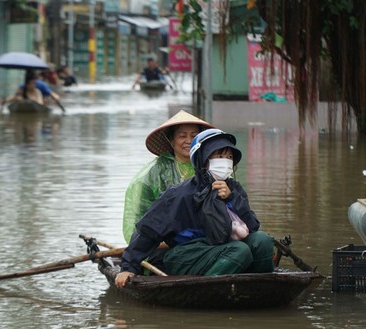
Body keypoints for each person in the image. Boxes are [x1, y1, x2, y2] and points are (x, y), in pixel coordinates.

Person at [115, 128, 275, 288]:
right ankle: (205, 291)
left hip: (222, 248)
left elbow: (253, 226)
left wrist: (231, 198)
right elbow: (147, 231)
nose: (225, 161)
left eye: (229, 157)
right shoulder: (180, 194)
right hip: (184, 254)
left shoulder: (234, 189)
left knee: (263, 241)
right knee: (239, 251)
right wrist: (128, 267)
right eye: (219, 156)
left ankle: (258, 287)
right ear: (203, 160)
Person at [122, 110, 214, 242]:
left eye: (194, 136)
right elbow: (140, 214)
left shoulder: (210, 167)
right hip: (164, 238)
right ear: (171, 140)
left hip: (204, 238)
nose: (189, 141)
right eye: (182, 136)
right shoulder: (157, 171)